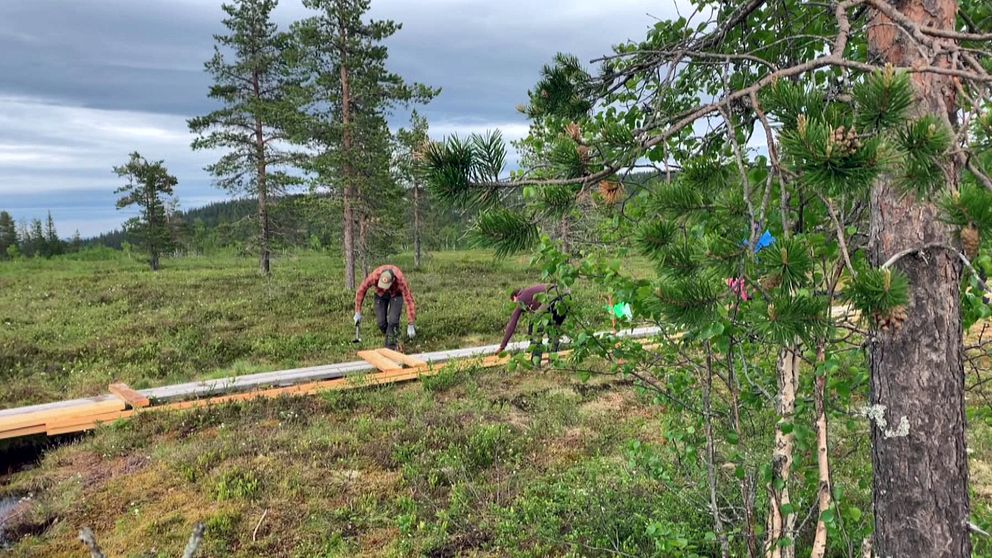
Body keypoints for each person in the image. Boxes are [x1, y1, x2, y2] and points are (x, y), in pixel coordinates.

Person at [496, 283, 568, 364]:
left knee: (534, 330)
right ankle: (553, 362)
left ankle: (535, 363)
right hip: (565, 295)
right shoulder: (531, 294)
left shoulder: (521, 298)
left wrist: (502, 346)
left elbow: (513, 322)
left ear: (515, 297)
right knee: (554, 329)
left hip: (552, 295)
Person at [354, 265, 416, 350]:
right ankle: (393, 336)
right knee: (381, 323)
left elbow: (409, 300)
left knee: (393, 321)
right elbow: (361, 290)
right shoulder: (375, 275)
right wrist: (358, 311)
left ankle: (390, 347)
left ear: (393, 280)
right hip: (380, 295)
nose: (385, 288)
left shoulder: (400, 279)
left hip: (396, 295)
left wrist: (411, 323)